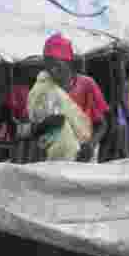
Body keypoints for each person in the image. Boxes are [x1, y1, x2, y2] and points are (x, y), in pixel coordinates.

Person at [34, 33, 110, 162]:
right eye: (47, 65)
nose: (52, 70)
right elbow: (39, 130)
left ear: (68, 63)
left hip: (84, 155)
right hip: (56, 157)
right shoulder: (44, 89)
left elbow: (102, 124)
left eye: (57, 65)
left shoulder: (87, 84)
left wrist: (91, 145)